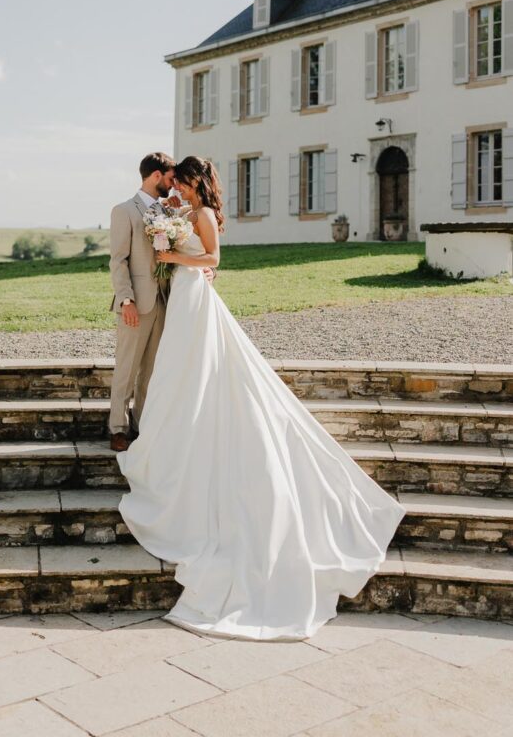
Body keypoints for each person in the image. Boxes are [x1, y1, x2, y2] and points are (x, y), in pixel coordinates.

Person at [117, 154, 406, 641]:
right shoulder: (184, 210)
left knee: (196, 368)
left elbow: (213, 260)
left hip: (195, 294)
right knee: (177, 371)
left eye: (184, 184)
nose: (180, 190)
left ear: (195, 181)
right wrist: (168, 227)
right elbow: (188, 245)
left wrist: (172, 257)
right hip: (186, 297)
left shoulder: (203, 214)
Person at [108, 152, 213, 451]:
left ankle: (143, 427)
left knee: (153, 370)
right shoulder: (124, 211)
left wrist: (205, 268)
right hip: (136, 303)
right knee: (127, 367)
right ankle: (118, 428)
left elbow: (192, 248)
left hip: (168, 302)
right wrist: (126, 299)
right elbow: (118, 261)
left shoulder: (172, 212)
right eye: (170, 178)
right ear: (156, 176)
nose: (174, 184)